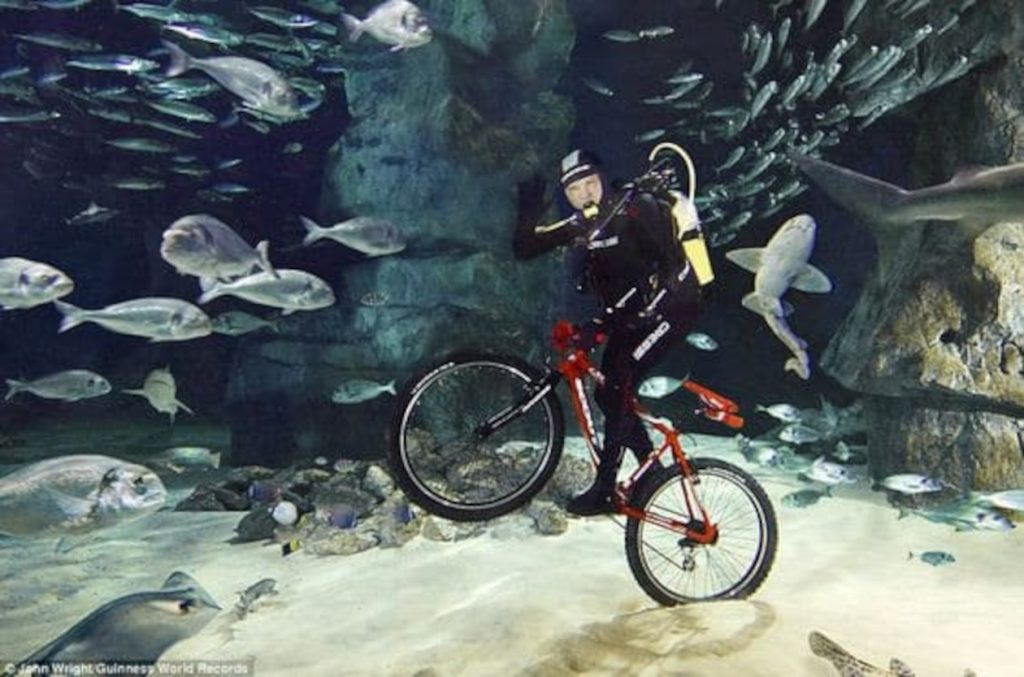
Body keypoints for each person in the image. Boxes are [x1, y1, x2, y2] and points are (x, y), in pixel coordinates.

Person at [513, 149, 717, 516]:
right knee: (608, 396)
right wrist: (528, 206)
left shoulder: (636, 208)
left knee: (619, 382)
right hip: (630, 315)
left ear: (603, 180)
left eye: (590, 183)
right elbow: (525, 248)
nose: (585, 194)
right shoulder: (581, 227)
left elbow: (672, 269)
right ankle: (650, 474)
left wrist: (628, 317)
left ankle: (606, 489)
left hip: (673, 307)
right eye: (574, 189)